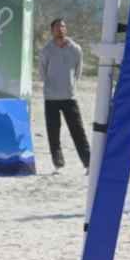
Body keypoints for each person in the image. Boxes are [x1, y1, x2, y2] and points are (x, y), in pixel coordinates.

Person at [39, 19, 91, 171]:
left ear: (66, 29)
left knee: (78, 131)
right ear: (52, 30)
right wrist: (51, 86)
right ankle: (58, 164)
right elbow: (42, 73)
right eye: (57, 27)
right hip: (51, 98)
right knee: (53, 133)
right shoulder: (46, 50)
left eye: (62, 26)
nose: (60, 29)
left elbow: (78, 71)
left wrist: (70, 85)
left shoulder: (75, 49)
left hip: (70, 97)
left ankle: (88, 163)